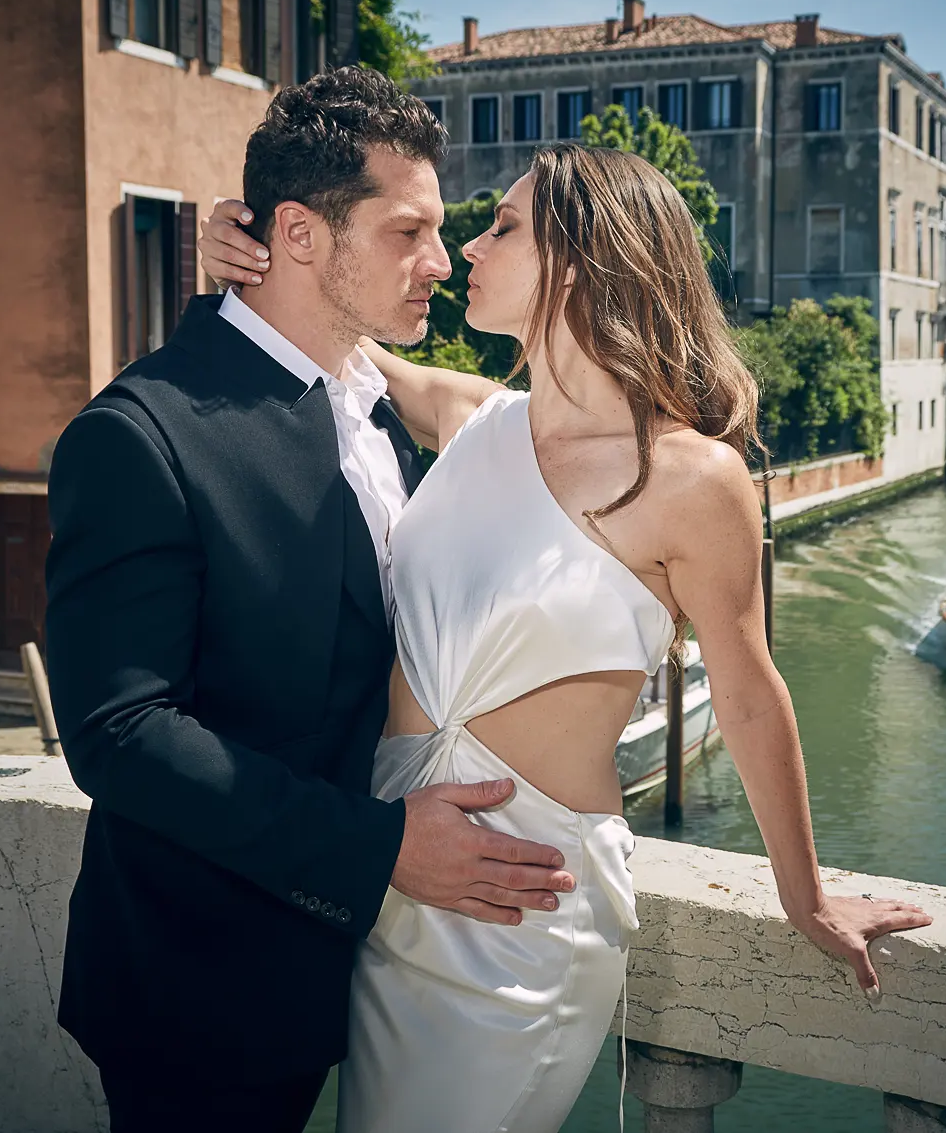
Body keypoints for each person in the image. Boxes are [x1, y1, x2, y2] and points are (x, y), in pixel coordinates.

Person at [202, 141, 931, 1131]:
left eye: (500, 227)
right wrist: (240, 246)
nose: (464, 249)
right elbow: (319, 320)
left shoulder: (690, 479)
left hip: (520, 916)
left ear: (579, 262)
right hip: (391, 881)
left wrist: (803, 896)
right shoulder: (471, 417)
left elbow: (752, 692)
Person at [43, 69, 577, 1133]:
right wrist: (375, 850)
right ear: (296, 234)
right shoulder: (138, 433)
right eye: (407, 231)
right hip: (200, 990)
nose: (440, 260)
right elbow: (119, 734)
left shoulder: (377, 408)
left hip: (377, 975)